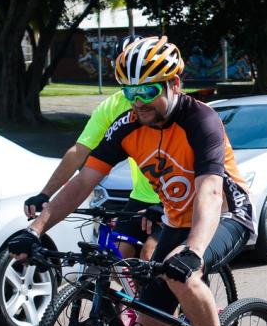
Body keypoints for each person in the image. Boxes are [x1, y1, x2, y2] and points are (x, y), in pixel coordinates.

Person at [16, 36, 254, 326]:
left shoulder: (201, 120)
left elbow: (209, 190)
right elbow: (83, 181)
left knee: (184, 276)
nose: (138, 101)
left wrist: (195, 251)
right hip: (176, 220)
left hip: (224, 215)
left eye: (147, 91)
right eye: (129, 92)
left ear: (174, 83)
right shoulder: (127, 126)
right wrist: (36, 228)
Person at [24, 38, 163, 258]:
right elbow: (80, 152)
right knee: (117, 256)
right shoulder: (113, 106)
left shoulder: (168, 107)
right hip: (142, 196)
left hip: (176, 199)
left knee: (150, 255)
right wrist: (45, 194)